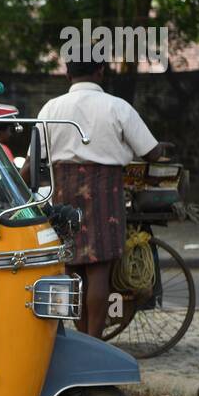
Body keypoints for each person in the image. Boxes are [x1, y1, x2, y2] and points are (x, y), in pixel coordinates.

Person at [37, 60, 162, 337]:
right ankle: (95, 343)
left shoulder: (51, 108)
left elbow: (36, 159)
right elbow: (152, 153)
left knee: (73, 269)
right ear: (101, 71)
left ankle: (81, 339)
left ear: (68, 73)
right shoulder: (117, 107)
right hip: (105, 193)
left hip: (64, 194)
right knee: (98, 270)